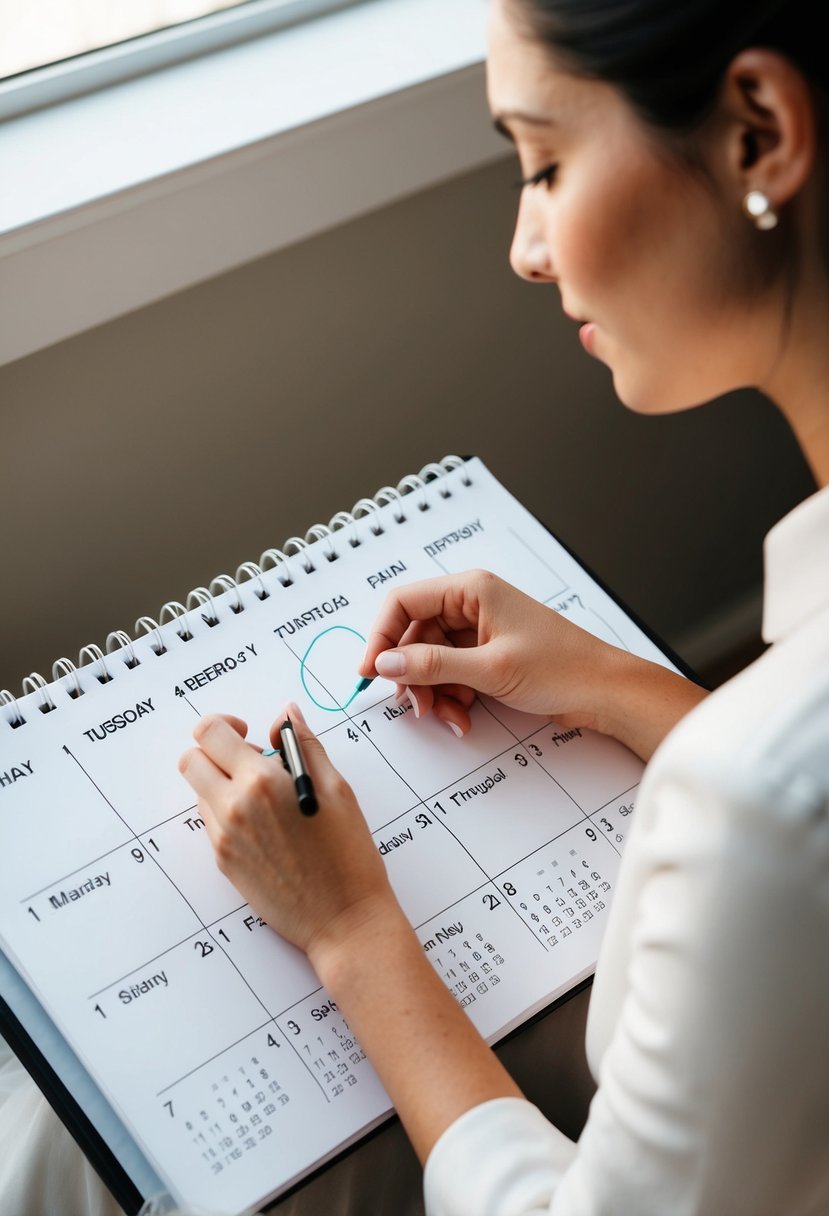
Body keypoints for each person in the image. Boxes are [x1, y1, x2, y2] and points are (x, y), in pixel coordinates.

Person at [1, 0, 827, 1211]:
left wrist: (349, 932)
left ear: (758, 132)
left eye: (544, 162)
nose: (525, 247)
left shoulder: (755, 803)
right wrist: (623, 688)